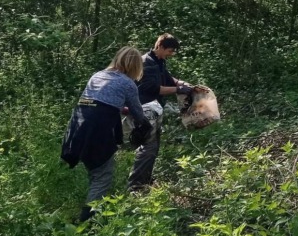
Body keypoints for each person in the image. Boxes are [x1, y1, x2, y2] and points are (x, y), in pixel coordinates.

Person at [62, 47, 150, 221]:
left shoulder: (98, 75)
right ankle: (87, 222)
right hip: (97, 132)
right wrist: (146, 126)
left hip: (78, 128)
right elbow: (138, 114)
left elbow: (96, 102)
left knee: (95, 172)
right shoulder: (128, 83)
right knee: (103, 176)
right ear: (135, 66)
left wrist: (120, 108)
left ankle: (90, 212)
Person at [128, 33, 197, 191]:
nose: (171, 54)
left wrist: (187, 86)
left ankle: (145, 180)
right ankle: (136, 187)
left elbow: (168, 79)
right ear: (159, 46)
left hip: (155, 110)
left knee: (153, 146)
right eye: (170, 51)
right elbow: (149, 87)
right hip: (146, 111)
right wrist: (178, 89)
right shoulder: (146, 63)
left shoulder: (159, 61)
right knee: (148, 147)